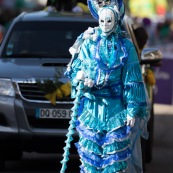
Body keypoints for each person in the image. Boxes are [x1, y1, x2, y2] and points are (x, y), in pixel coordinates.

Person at [60, 1, 150, 173]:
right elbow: (76, 68)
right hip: (92, 110)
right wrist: (81, 80)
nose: (105, 25)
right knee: (90, 159)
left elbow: (132, 78)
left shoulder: (125, 46)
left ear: (116, 20)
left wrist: (132, 108)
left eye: (109, 21)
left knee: (114, 159)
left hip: (116, 110)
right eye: (102, 21)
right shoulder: (88, 42)